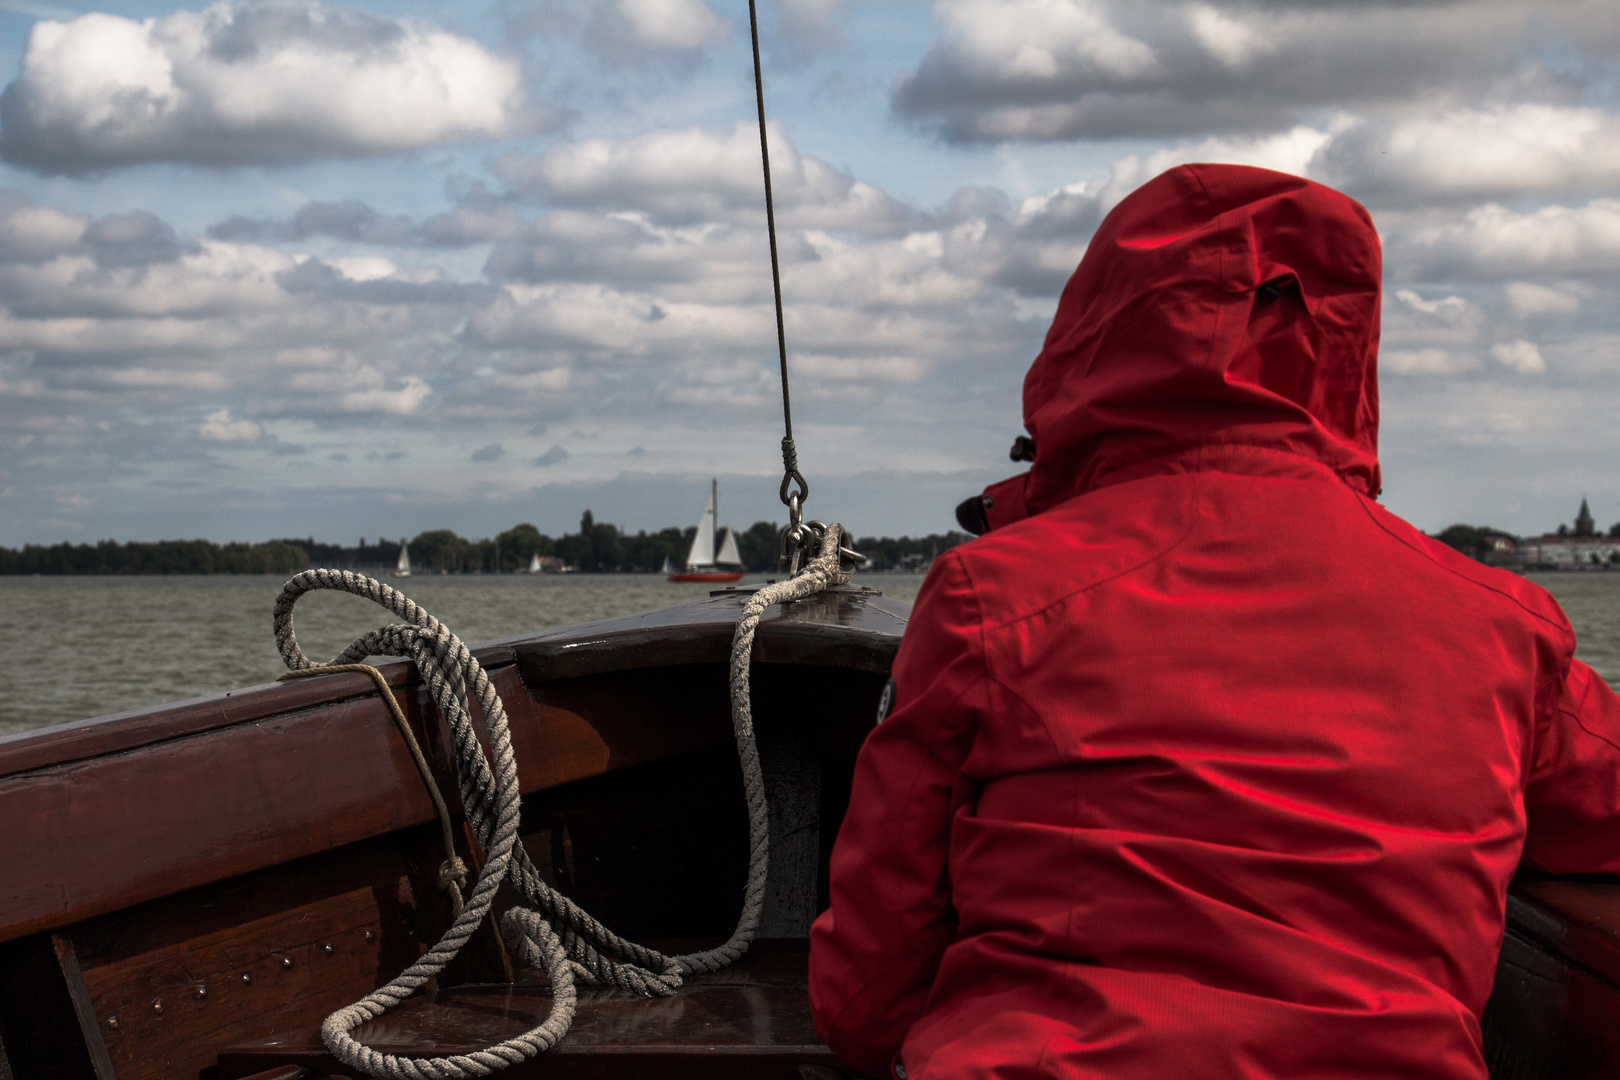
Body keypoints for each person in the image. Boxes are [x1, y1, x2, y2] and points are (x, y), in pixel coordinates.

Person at [807, 163, 1620, 1080]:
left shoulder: (988, 598)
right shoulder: (1501, 624)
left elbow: (871, 984)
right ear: (1347, 352)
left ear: (1091, 338)